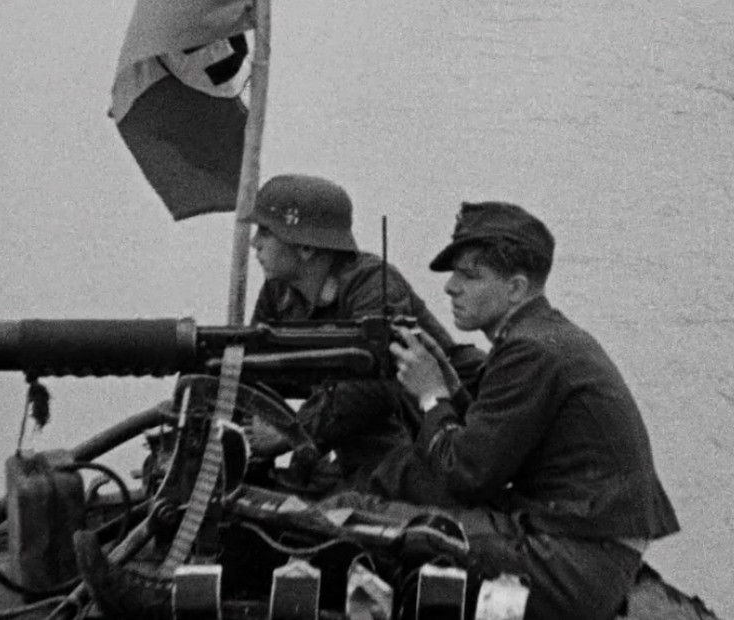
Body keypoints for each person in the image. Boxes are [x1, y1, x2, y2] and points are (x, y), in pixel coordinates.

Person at [371, 201, 680, 620]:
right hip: (581, 547)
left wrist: (431, 396)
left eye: (469, 276)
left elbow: (467, 475)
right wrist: (450, 387)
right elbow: (493, 443)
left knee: (375, 525)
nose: (450, 288)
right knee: (399, 480)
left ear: (516, 288)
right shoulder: (542, 336)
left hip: (572, 561)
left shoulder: (530, 350)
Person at [245, 173, 483, 489]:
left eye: (266, 231)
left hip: (428, 432)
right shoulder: (279, 292)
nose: (255, 243)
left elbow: (373, 387)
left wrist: (291, 432)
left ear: (305, 247)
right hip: (352, 441)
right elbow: (257, 370)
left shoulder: (372, 286)